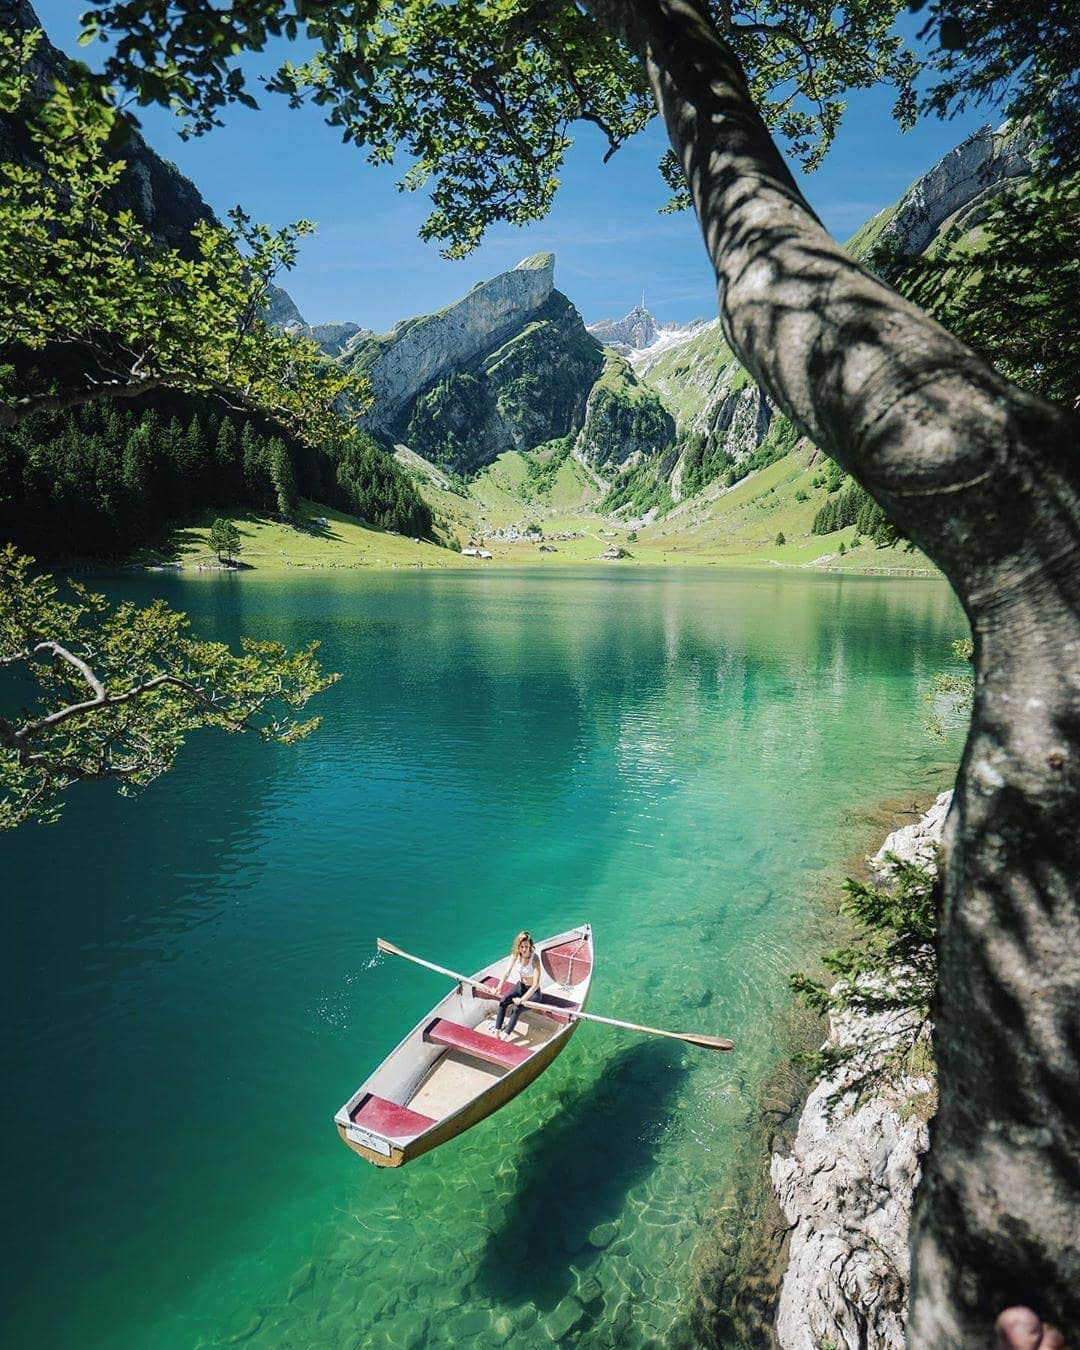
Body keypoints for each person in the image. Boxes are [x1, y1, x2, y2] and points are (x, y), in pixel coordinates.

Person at [493, 930, 541, 1041]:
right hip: (521, 986)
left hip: (533, 992)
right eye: (522, 947)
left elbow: (535, 985)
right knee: (503, 1001)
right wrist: (498, 987)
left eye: (527, 946)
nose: (524, 949)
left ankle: (505, 1037)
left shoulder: (535, 959)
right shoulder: (515, 955)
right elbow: (507, 972)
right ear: (518, 946)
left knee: (516, 1008)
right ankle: (497, 1032)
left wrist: (522, 999)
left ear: (530, 946)